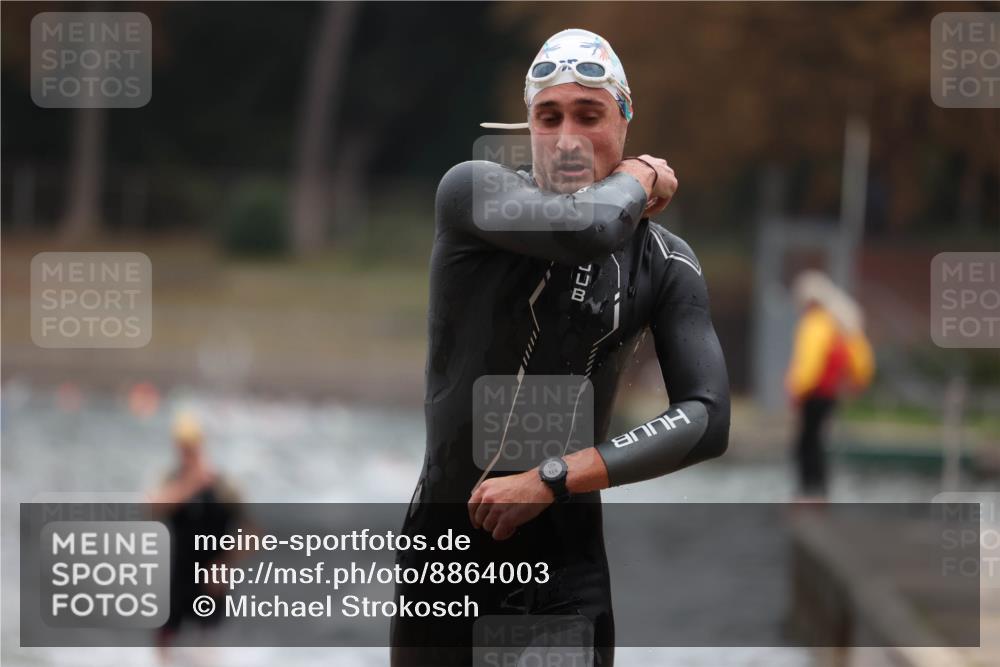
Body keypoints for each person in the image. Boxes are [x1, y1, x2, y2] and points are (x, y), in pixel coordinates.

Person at [391, 28, 731, 666]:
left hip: (565, 577)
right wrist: (638, 176)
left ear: (625, 120)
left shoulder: (665, 263)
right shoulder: (475, 194)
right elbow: (588, 229)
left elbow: (707, 418)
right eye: (549, 117)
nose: (568, 136)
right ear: (527, 127)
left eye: (590, 114)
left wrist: (554, 478)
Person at [148, 411, 248, 664]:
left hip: (211, 575)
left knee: (207, 643)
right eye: (182, 447)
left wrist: (225, 564)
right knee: (165, 639)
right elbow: (153, 507)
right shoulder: (173, 479)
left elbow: (251, 532)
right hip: (178, 574)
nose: (186, 452)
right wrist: (191, 482)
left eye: (191, 446)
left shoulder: (224, 485)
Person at [785, 270, 874, 500]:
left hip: (813, 394)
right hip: (829, 394)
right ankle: (819, 491)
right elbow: (860, 359)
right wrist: (857, 381)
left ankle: (809, 492)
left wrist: (796, 389)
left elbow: (809, 363)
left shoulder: (814, 324)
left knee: (806, 444)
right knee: (816, 442)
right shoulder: (838, 324)